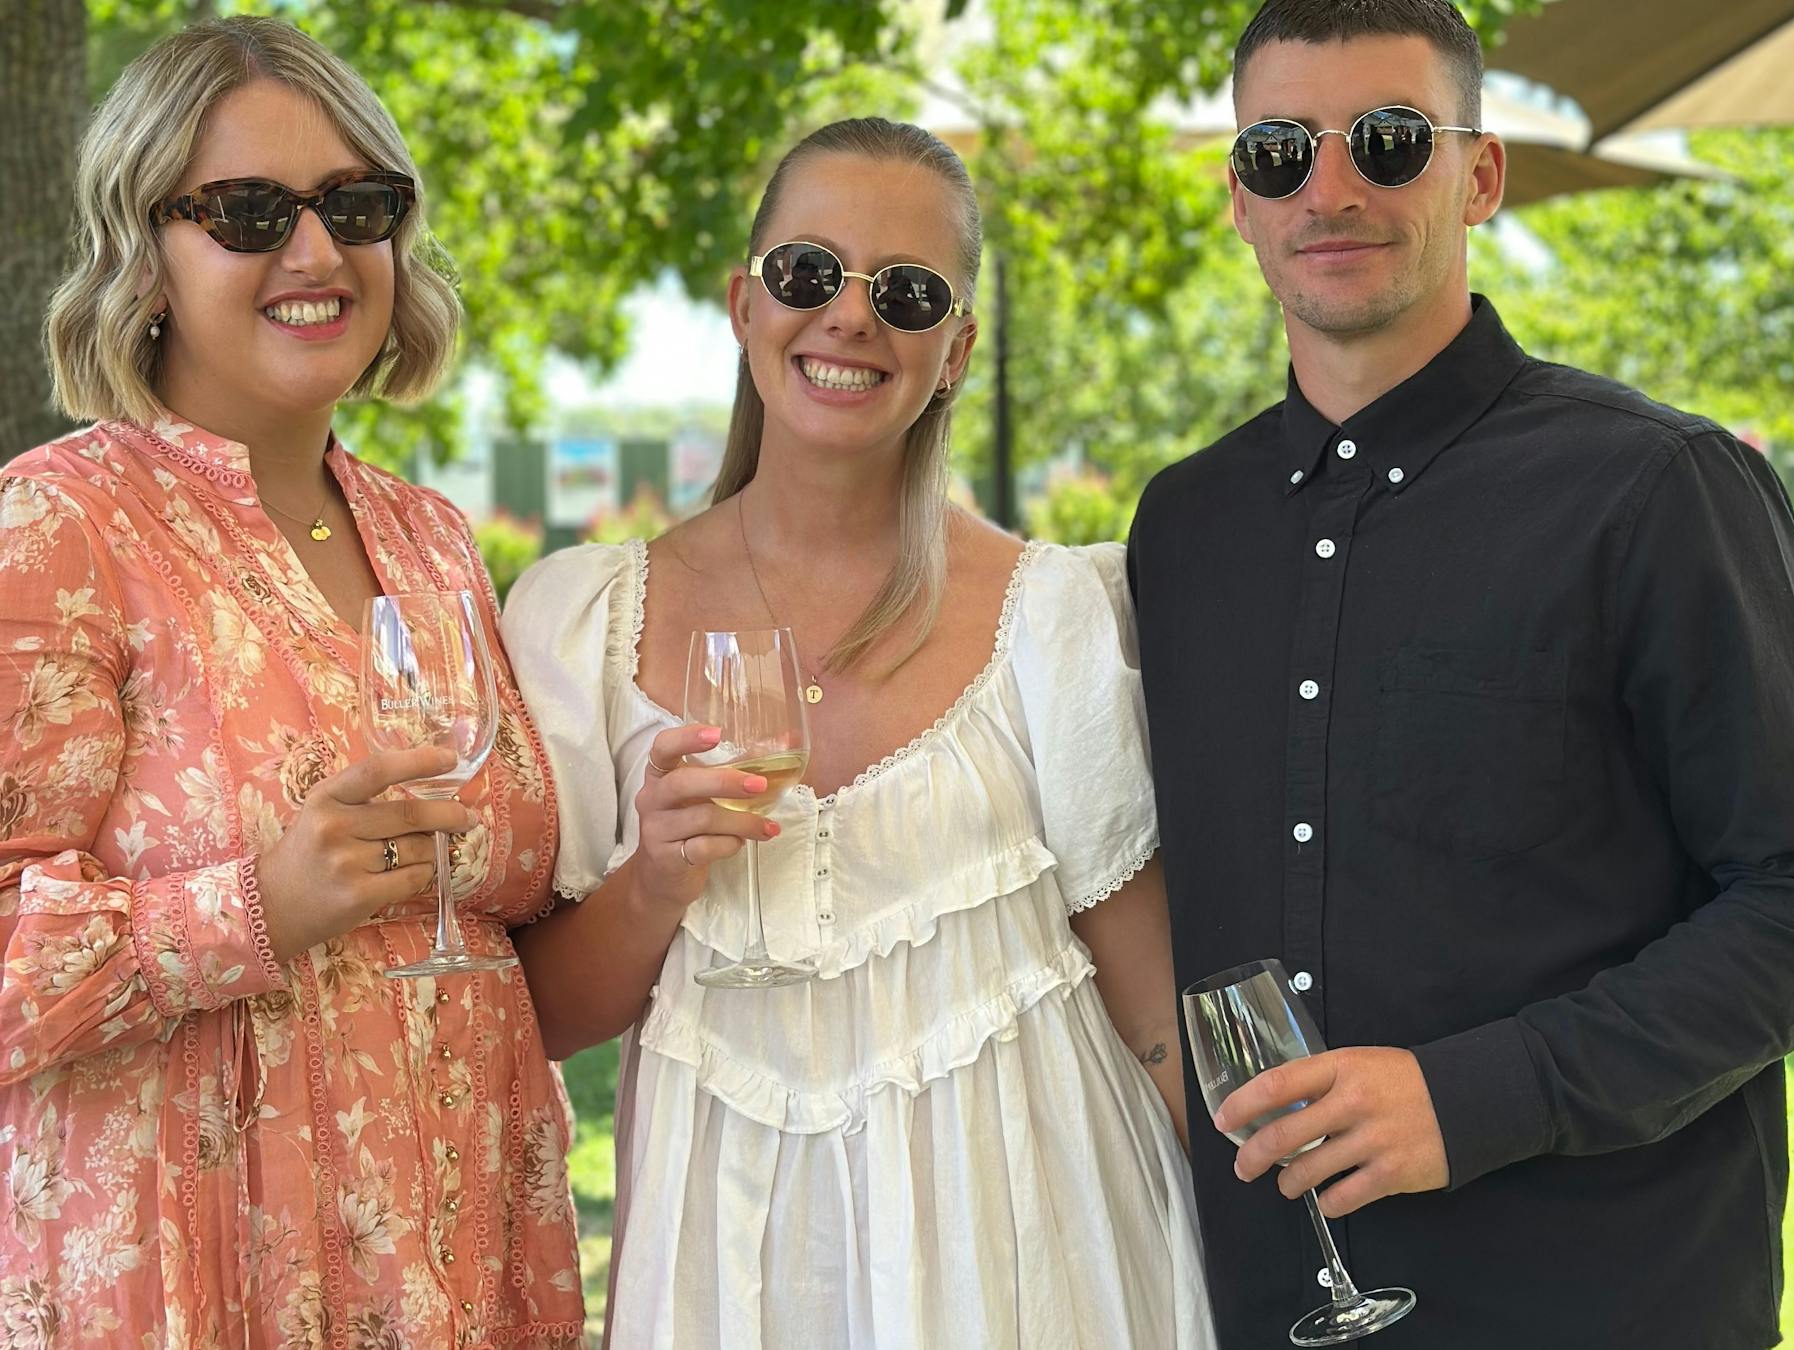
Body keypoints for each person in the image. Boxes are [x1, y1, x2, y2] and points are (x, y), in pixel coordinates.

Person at [1127, 1, 1794, 1347]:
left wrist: (1479, 1093)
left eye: (1387, 142)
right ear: (1237, 201)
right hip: (1266, 1303)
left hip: (1608, 1297)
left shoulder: (1658, 488)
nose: (1329, 190)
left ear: (1478, 173)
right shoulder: (1183, 528)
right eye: (1278, 152)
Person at [502, 117, 1211, 1348]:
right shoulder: (587, 618)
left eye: (909, 291)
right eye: (808, 274)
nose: (849, 317)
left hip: (1037, 1258)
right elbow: (548, 1019)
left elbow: (1153, 1011)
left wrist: (1281, 1248)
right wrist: (660, 875)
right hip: (732, 1263)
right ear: (744, 303)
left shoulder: (1053, 616)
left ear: (957, 351)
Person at [0, 18, 582, 1344]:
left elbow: (507, 917)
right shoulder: (59, 528)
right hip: (187, 1283)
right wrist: (254, 905)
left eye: (355, 205)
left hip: (461, 1264)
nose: (316, 253)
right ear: (143, 247)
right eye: (251, 211)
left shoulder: (432, 537)